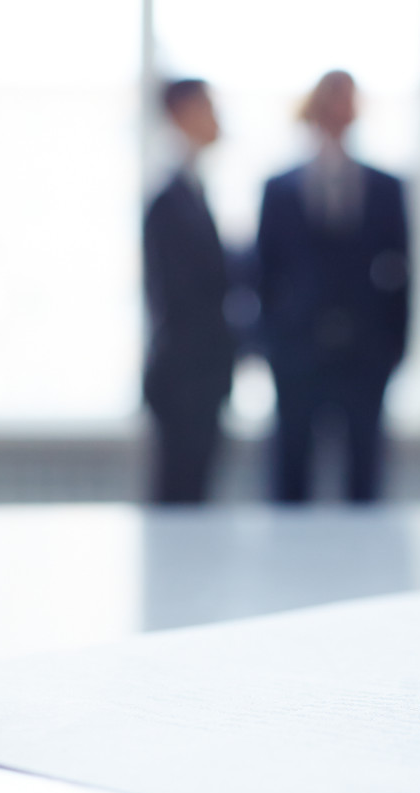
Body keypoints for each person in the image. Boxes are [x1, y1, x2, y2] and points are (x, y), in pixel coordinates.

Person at [256, 70, 410, 503]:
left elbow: (401, 272)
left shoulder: (385, 187)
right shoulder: (279, 188)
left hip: (365, 355)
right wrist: (271, 345)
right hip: (298, 353)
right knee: (291, 477)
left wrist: (396, 346)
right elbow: (264, 276)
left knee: (366, 479)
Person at [142, 78, 238, 504]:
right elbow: (180, 298)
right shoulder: (168, 200)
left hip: (203, 378)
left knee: (194, 495)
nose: (217, 118)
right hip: (184, 381)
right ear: (181, 114)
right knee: (179, 498)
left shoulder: (195, 192)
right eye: (208, 108)